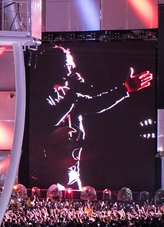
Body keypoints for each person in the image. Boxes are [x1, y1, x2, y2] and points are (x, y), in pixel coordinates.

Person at [36, 44, 153, 189]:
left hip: (72, 170)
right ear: (52, 66)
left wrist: (125, 89)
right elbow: (50, 120)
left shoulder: (66, 95)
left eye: (70, 66)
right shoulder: (40, 95)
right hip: (49, 173)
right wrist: (72, 93)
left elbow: (96, 104)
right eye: (66, 65)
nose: (70, 70)